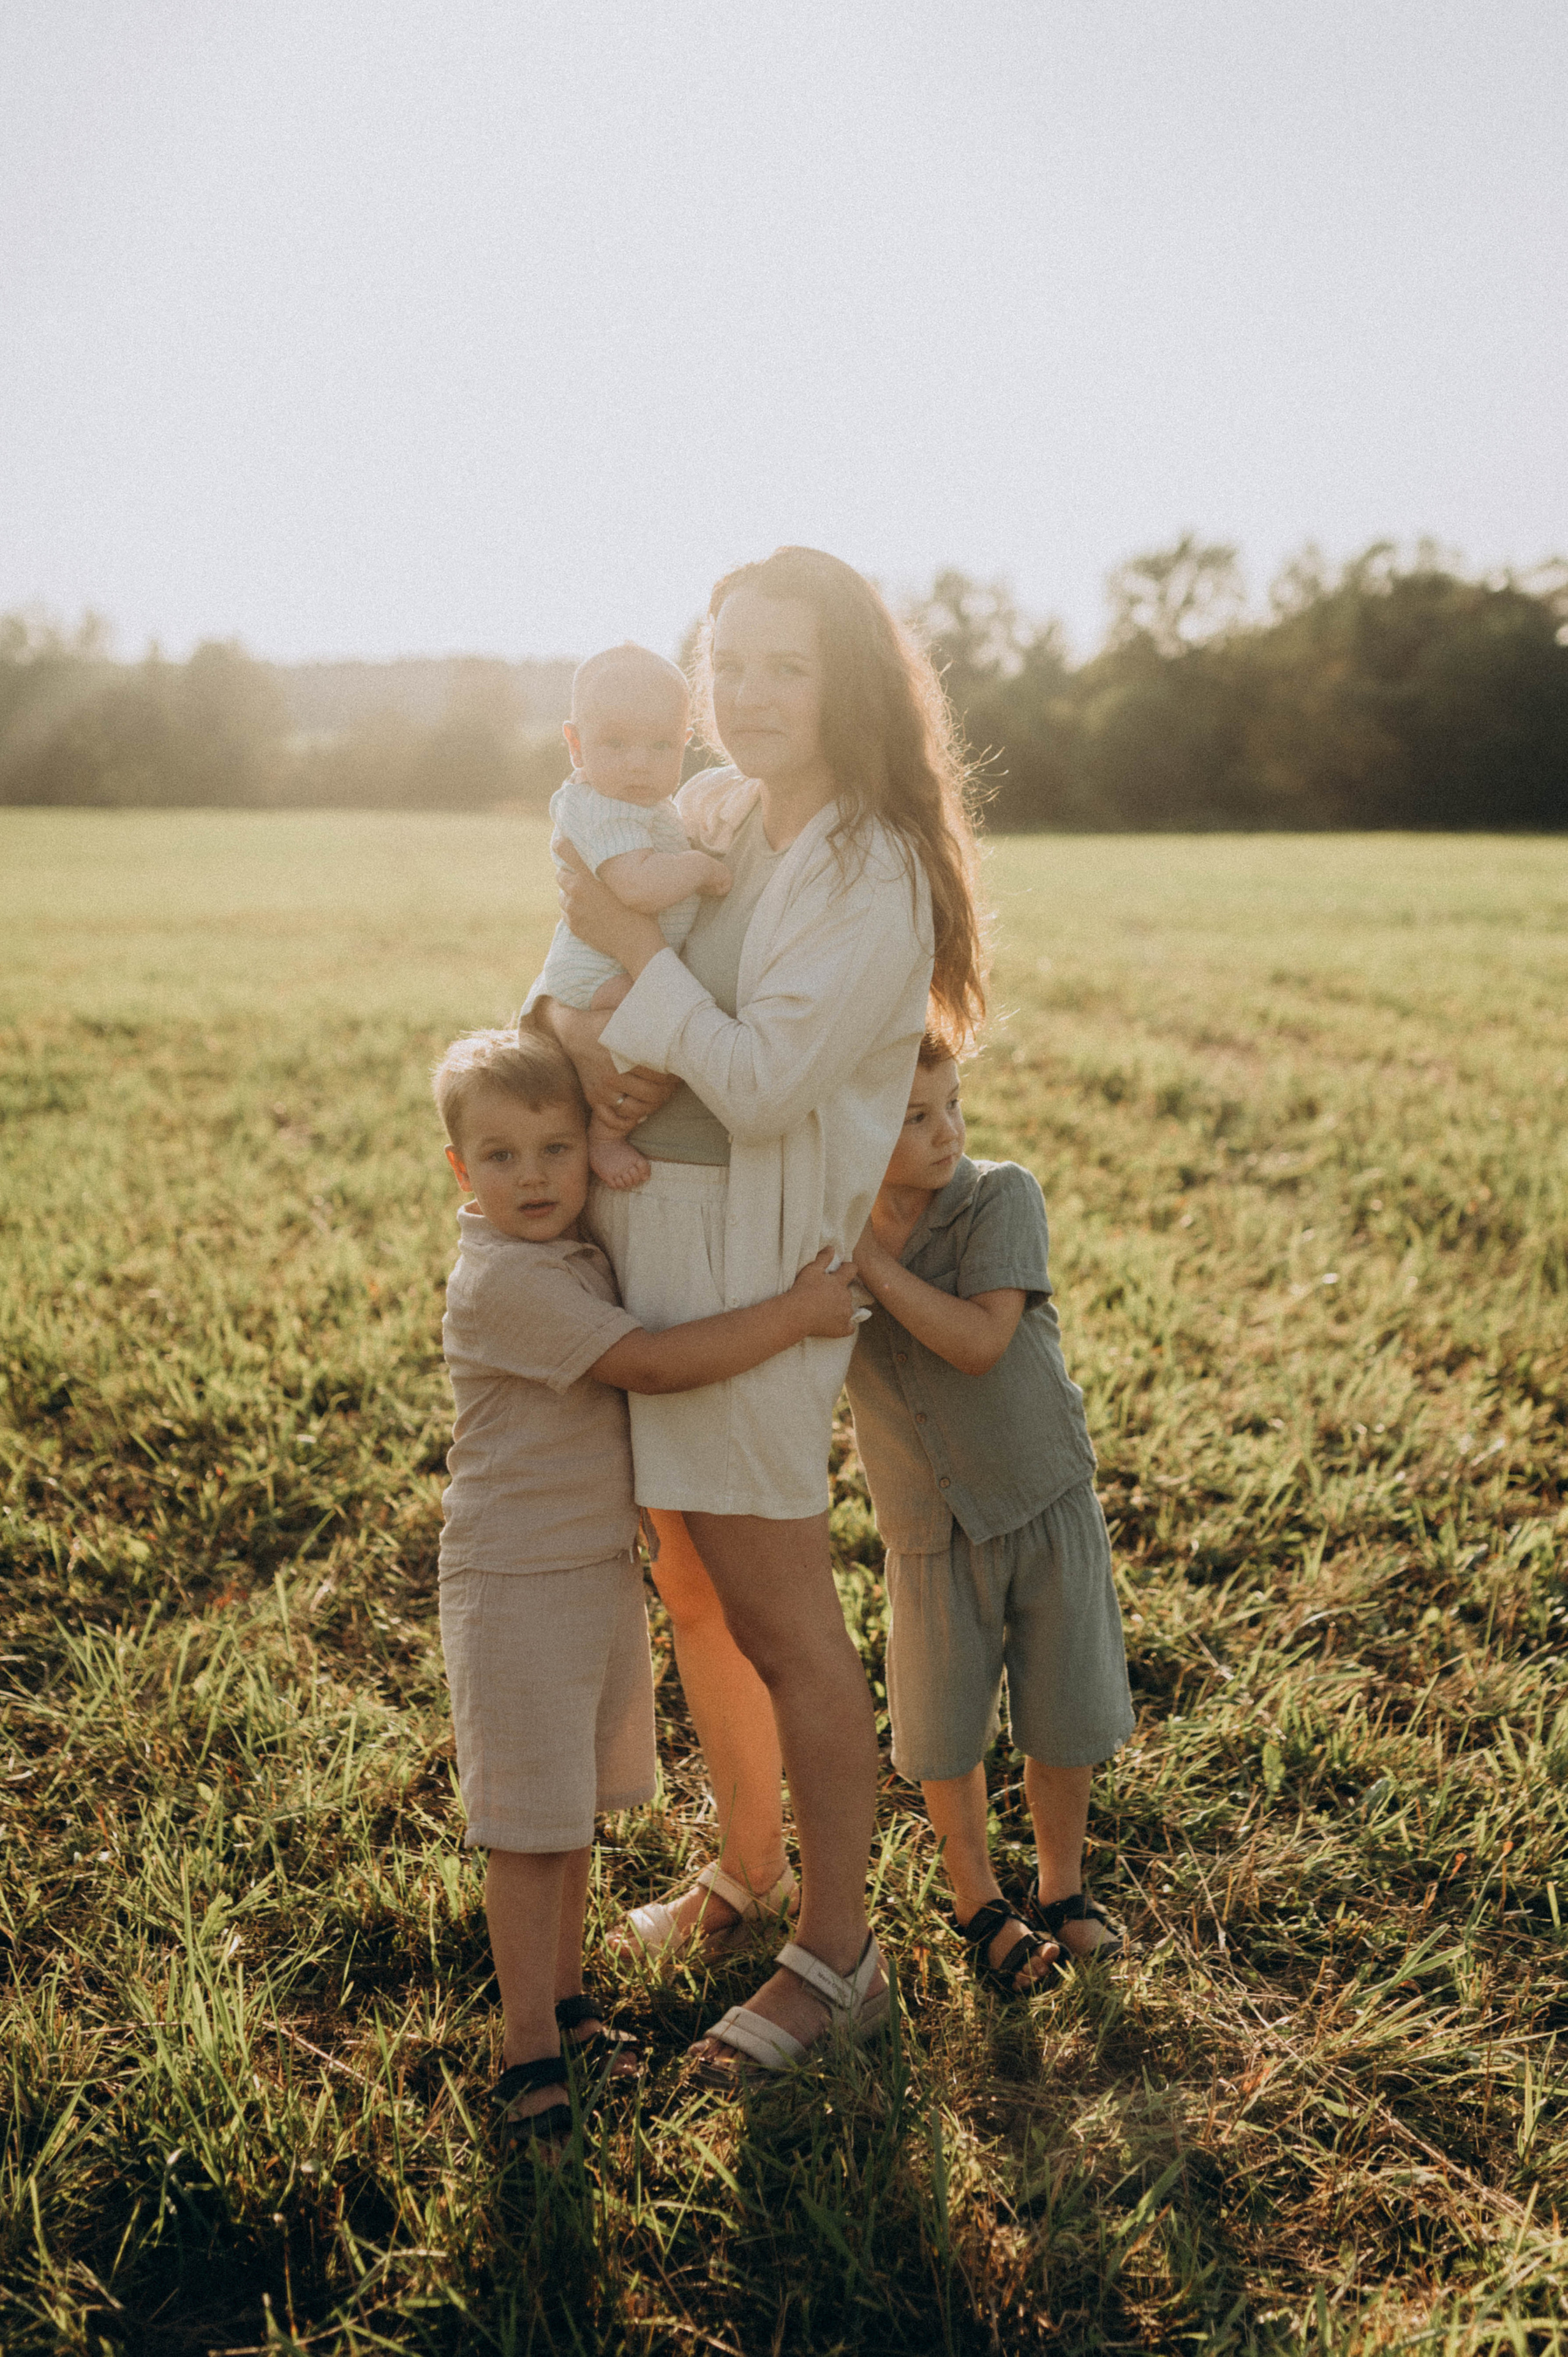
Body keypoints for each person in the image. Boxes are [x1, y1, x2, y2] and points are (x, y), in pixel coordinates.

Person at [532, 545, 986, 2082]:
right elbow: (581, 922)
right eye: (728, 659)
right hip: (651, 1258)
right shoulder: (716, 808)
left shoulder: (872, 871)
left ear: (846, 679)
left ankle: (838, 1954)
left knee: (785, 1615)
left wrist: (642, 956)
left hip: (759, 1284)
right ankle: (746, 1867)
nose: (744, 692)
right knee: (694, 1581)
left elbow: (765, 1075)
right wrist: (587, 1054)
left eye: (784, 663)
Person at [431, 1025, 864, 2147]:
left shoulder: (566, 1246)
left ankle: (569, 2005)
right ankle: (528, 2049)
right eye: (502, 1155)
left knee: (567, 1814)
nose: (533, 1176)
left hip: (585, 1573)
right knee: (529, 1832)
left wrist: (619, 1154)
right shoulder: (506, 1279)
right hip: (519, 1581)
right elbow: (656, 1364)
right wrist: (796, 1315)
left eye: (556, 1149)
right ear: (459, 1172)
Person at [846, 1034, 1135, 1994]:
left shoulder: (999, 1193)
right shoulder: (821, 1230)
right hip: (928, 1525)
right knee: (945, 1724)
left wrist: (868, 1271)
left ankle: (1061, 1884)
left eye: (954, 1105)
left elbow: (980, 1339)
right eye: (914, 1116)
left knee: (1062, 1708)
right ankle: (977, 1900)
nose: (947, 1131)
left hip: (1041, 1496)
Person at [534, 643, 733, 1191]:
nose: (639, 763)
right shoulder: (600, 805)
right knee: (654, 1025)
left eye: (661, 744)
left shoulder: (645, 803)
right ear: (575, 744)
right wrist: (697, 867)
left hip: (608, 964)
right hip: (593, 975)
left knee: (663, 1020)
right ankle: (602, 1135)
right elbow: (636, 887)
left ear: (685, 744)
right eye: (616, 743)